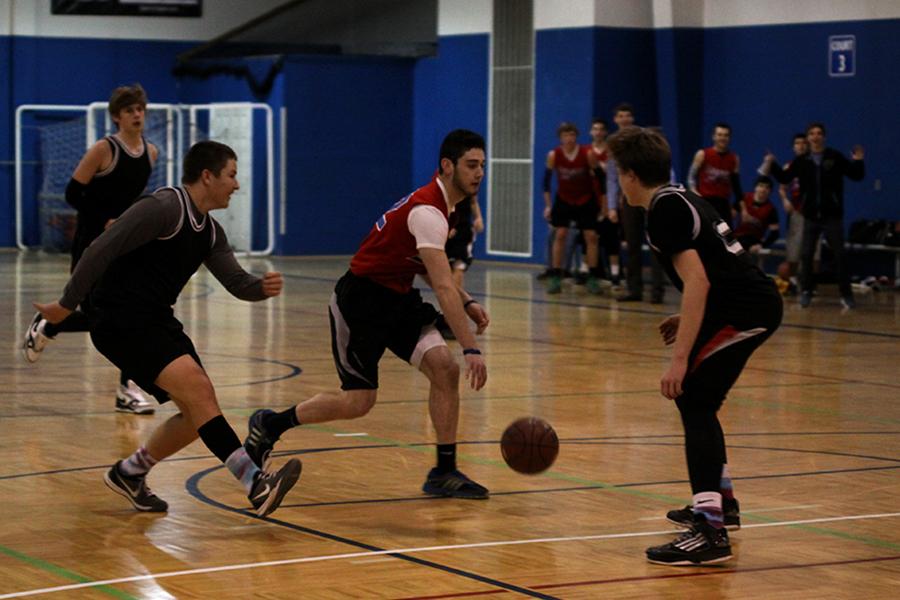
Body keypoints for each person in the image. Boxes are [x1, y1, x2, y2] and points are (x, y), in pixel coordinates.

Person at [31, 141, 301, 517]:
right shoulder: (162, 207)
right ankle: (254, 484)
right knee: (200, 392)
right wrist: (65, 305)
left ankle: (130, 472)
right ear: (207, 176)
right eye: (232, 175)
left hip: (156, 320)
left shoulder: (210, 231)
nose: (236, 185)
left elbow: (237, 283)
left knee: (195, 415)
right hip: (119, 318)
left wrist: (261, 288)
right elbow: (98, 249)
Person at [243, 130, 491, 499]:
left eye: (483, 166)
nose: (479, 173)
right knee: (359, 401)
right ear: (447, 166)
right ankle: (270, 424)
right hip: (360, 303)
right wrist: (471, 347)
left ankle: (444, 471)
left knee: (445, 368)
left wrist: (467, 300)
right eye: (472, 165)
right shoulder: (428, 211)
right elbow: (441, 286)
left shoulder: (445, 208)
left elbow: (424, 265)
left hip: (398, 297)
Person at [607, 126, 782, 565]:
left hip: (747, 310)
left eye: (617, 172)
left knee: (694, 397)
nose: (616, 180)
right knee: (697, 402)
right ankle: (721, 506)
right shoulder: (677, 196)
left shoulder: (663, 210)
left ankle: (710, 529)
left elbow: (700, 280)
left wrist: (678, 360)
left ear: (629, 174)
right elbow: (716, 268)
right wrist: (687, 316)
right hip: (738, 303)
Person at [23, 83, 158, 415]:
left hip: (126, 245)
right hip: (91, 242)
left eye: (140, 108)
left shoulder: (152, 153)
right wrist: (104, 220)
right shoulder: (103, 150)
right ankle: (50, 323)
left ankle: (129, 389)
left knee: (133, 315)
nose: (137, 114)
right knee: (102, 318)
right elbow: (73, 194)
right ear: (116, 117)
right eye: (129, 110)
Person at [765, 122, 865, 309]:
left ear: (824, 137)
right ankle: (806, 291)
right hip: (810, 216)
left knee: (840, 255)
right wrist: (772, 164)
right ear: (808, 137)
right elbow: (785, 178)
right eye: (812, 133)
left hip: (832, 216)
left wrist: (858, 161)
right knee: (806, 255)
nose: (815, 136)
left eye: (819, 133)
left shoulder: (834, 157)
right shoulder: (802, 161)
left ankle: (846, 294)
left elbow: (856, 175)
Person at [606, 104, 665, 303]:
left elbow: (663, 167)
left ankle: (657, 291)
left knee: (656, 243)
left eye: (628, 115)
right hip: (628, 201)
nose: (624, 119)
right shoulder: (613, 145)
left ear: (632, 118)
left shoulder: (644, 139)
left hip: (650, 197)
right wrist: (612, 206)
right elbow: (612, 178)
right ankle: (634, 290)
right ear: (615, 119)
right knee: (632, 245)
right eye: (620, 115)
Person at [542, 122, 605, 294]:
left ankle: (592, 276)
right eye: (565, 135)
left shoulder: (587, 153)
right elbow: (546, 183)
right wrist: (548, 205)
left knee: (591, 236)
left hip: (586, 199)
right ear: (560, 138)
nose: (569, 138)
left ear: (576, 136)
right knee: (560, 234)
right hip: (564, 199)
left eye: (572, 135)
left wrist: (604, 205)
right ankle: (556, 275)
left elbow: (601, 179)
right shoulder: (554, 155)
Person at [586, 117, 621, 286]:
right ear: (591, 132)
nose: (598, 132)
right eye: (595, 129)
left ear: (606, 132)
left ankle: (615, 274)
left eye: (601, 129)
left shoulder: (611, 151)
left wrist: (611, 203)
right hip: (589, 198)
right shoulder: (587, 152)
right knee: (587, 236)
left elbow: (613, 177)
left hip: (607, 197)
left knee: (610, 237)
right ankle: (588, 271)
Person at [688, 123, 743, 226]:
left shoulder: (734, 159)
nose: (722, 138)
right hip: (705, 202)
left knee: (726, 238)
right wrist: (696, 195)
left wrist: (739, 207)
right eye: (719, 135)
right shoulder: (702, 154)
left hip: (723, 204)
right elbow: (691, 178)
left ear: (729, 138)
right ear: (713, 136)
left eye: (726, 135)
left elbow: (736, 186)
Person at [777, 133, 810, 283]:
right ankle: (793, 282)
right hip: (796, 211)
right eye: (797, 143)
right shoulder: (789, 166)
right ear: (793, 147)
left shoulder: (813, 164)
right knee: (794, 251)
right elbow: (782, 188)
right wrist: (785, 201)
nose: (801, 145)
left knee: (812, 251)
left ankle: (809, 283)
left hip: (812, 213)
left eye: (803, 143)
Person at [733, 176, 779, 252]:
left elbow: (775, 234)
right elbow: (730, 216)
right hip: (737, 238)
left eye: (767, 187)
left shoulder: (771, 209)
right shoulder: (744, 200)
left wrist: (761, 245)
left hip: (754, 242)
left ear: (770, 191)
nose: (763, 190)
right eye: (761, 186)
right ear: (755, 187)